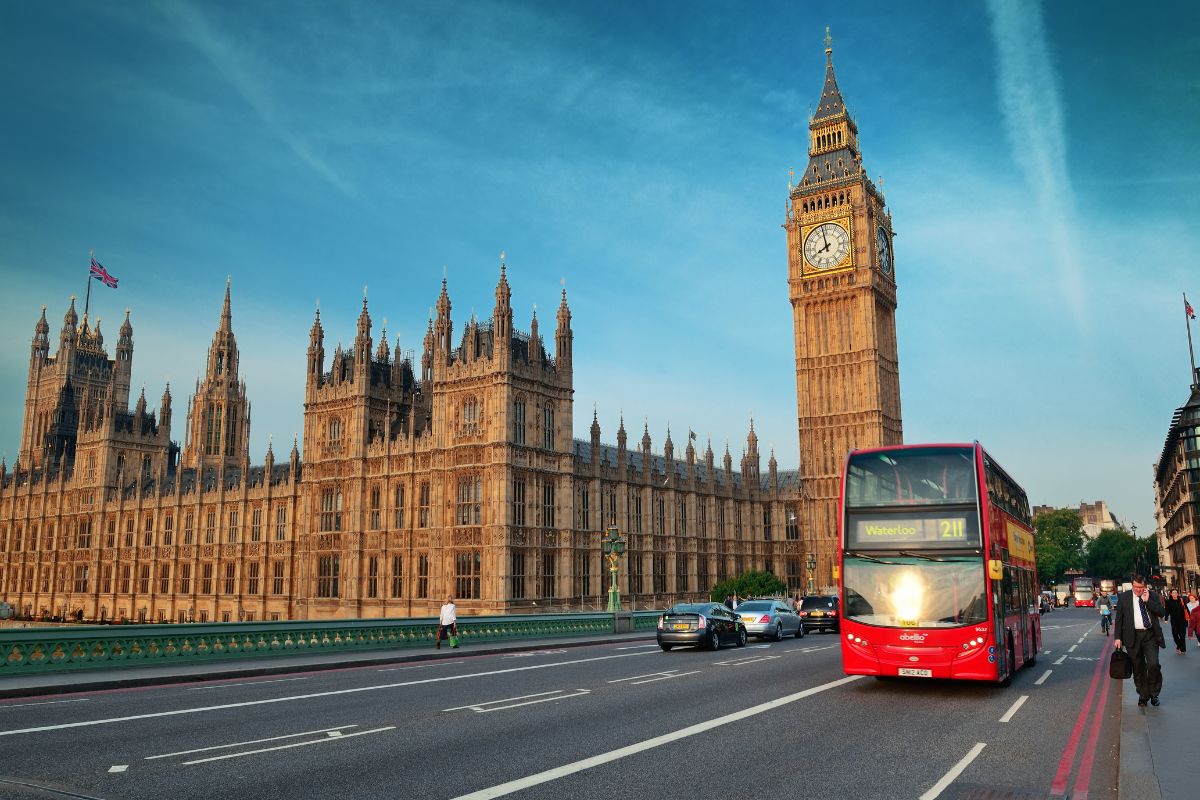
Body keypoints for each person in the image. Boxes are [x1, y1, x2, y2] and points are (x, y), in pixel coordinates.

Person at [1113, 575, 1166, 707]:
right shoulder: (1124, 597)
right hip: (1132, 637)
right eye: (1136, 587)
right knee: (1138, 668)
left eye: (1141, 587)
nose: (1138, 590)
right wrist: (1117, 637)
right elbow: (1119, 618)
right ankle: (1143, 695)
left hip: (1150, 636)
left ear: (1145, 586)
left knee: (1153, 664)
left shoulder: (1152, 596)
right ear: (1132, 585)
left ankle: (1154, 694)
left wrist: (1148, 601)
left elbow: (1161, 612)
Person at [1164, 588, 1188, 654]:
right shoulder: (1168, 601)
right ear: (1171, 594)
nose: (1175, 594)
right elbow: (1167, 610)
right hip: (1174, 620)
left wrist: (1189, 616)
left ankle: (1182, 649)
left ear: (1177, 593)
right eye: (1173, 593)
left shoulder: (1181, 600)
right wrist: (1166, 619)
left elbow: (1186, 608)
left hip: (1182, 620)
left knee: (1182, 635)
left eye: (1176, 592)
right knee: (1175, 635)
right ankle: (1179, 646)